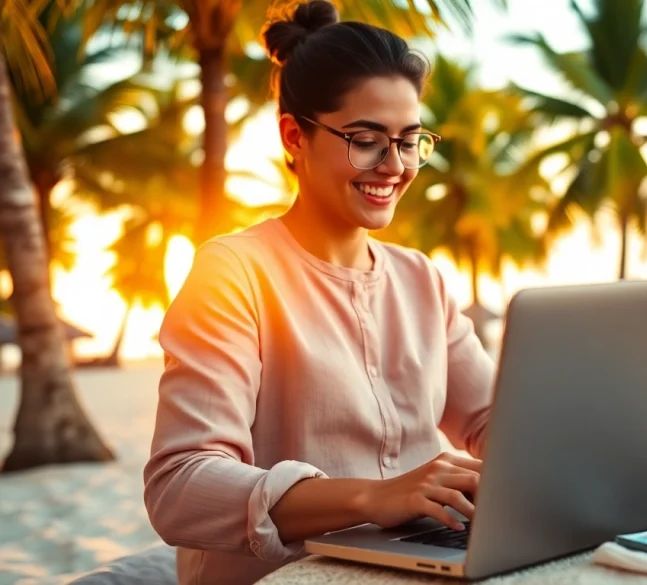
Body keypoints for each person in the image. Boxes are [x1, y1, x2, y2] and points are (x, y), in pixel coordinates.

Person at [141, 2, 496, 583]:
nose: (395, 165)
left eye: (410, 141)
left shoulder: (421, 279)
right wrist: (374, 497)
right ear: (293, 136)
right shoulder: (233, 271)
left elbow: (488, 422)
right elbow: (181, 485)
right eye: (366, 139)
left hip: (422, 563)